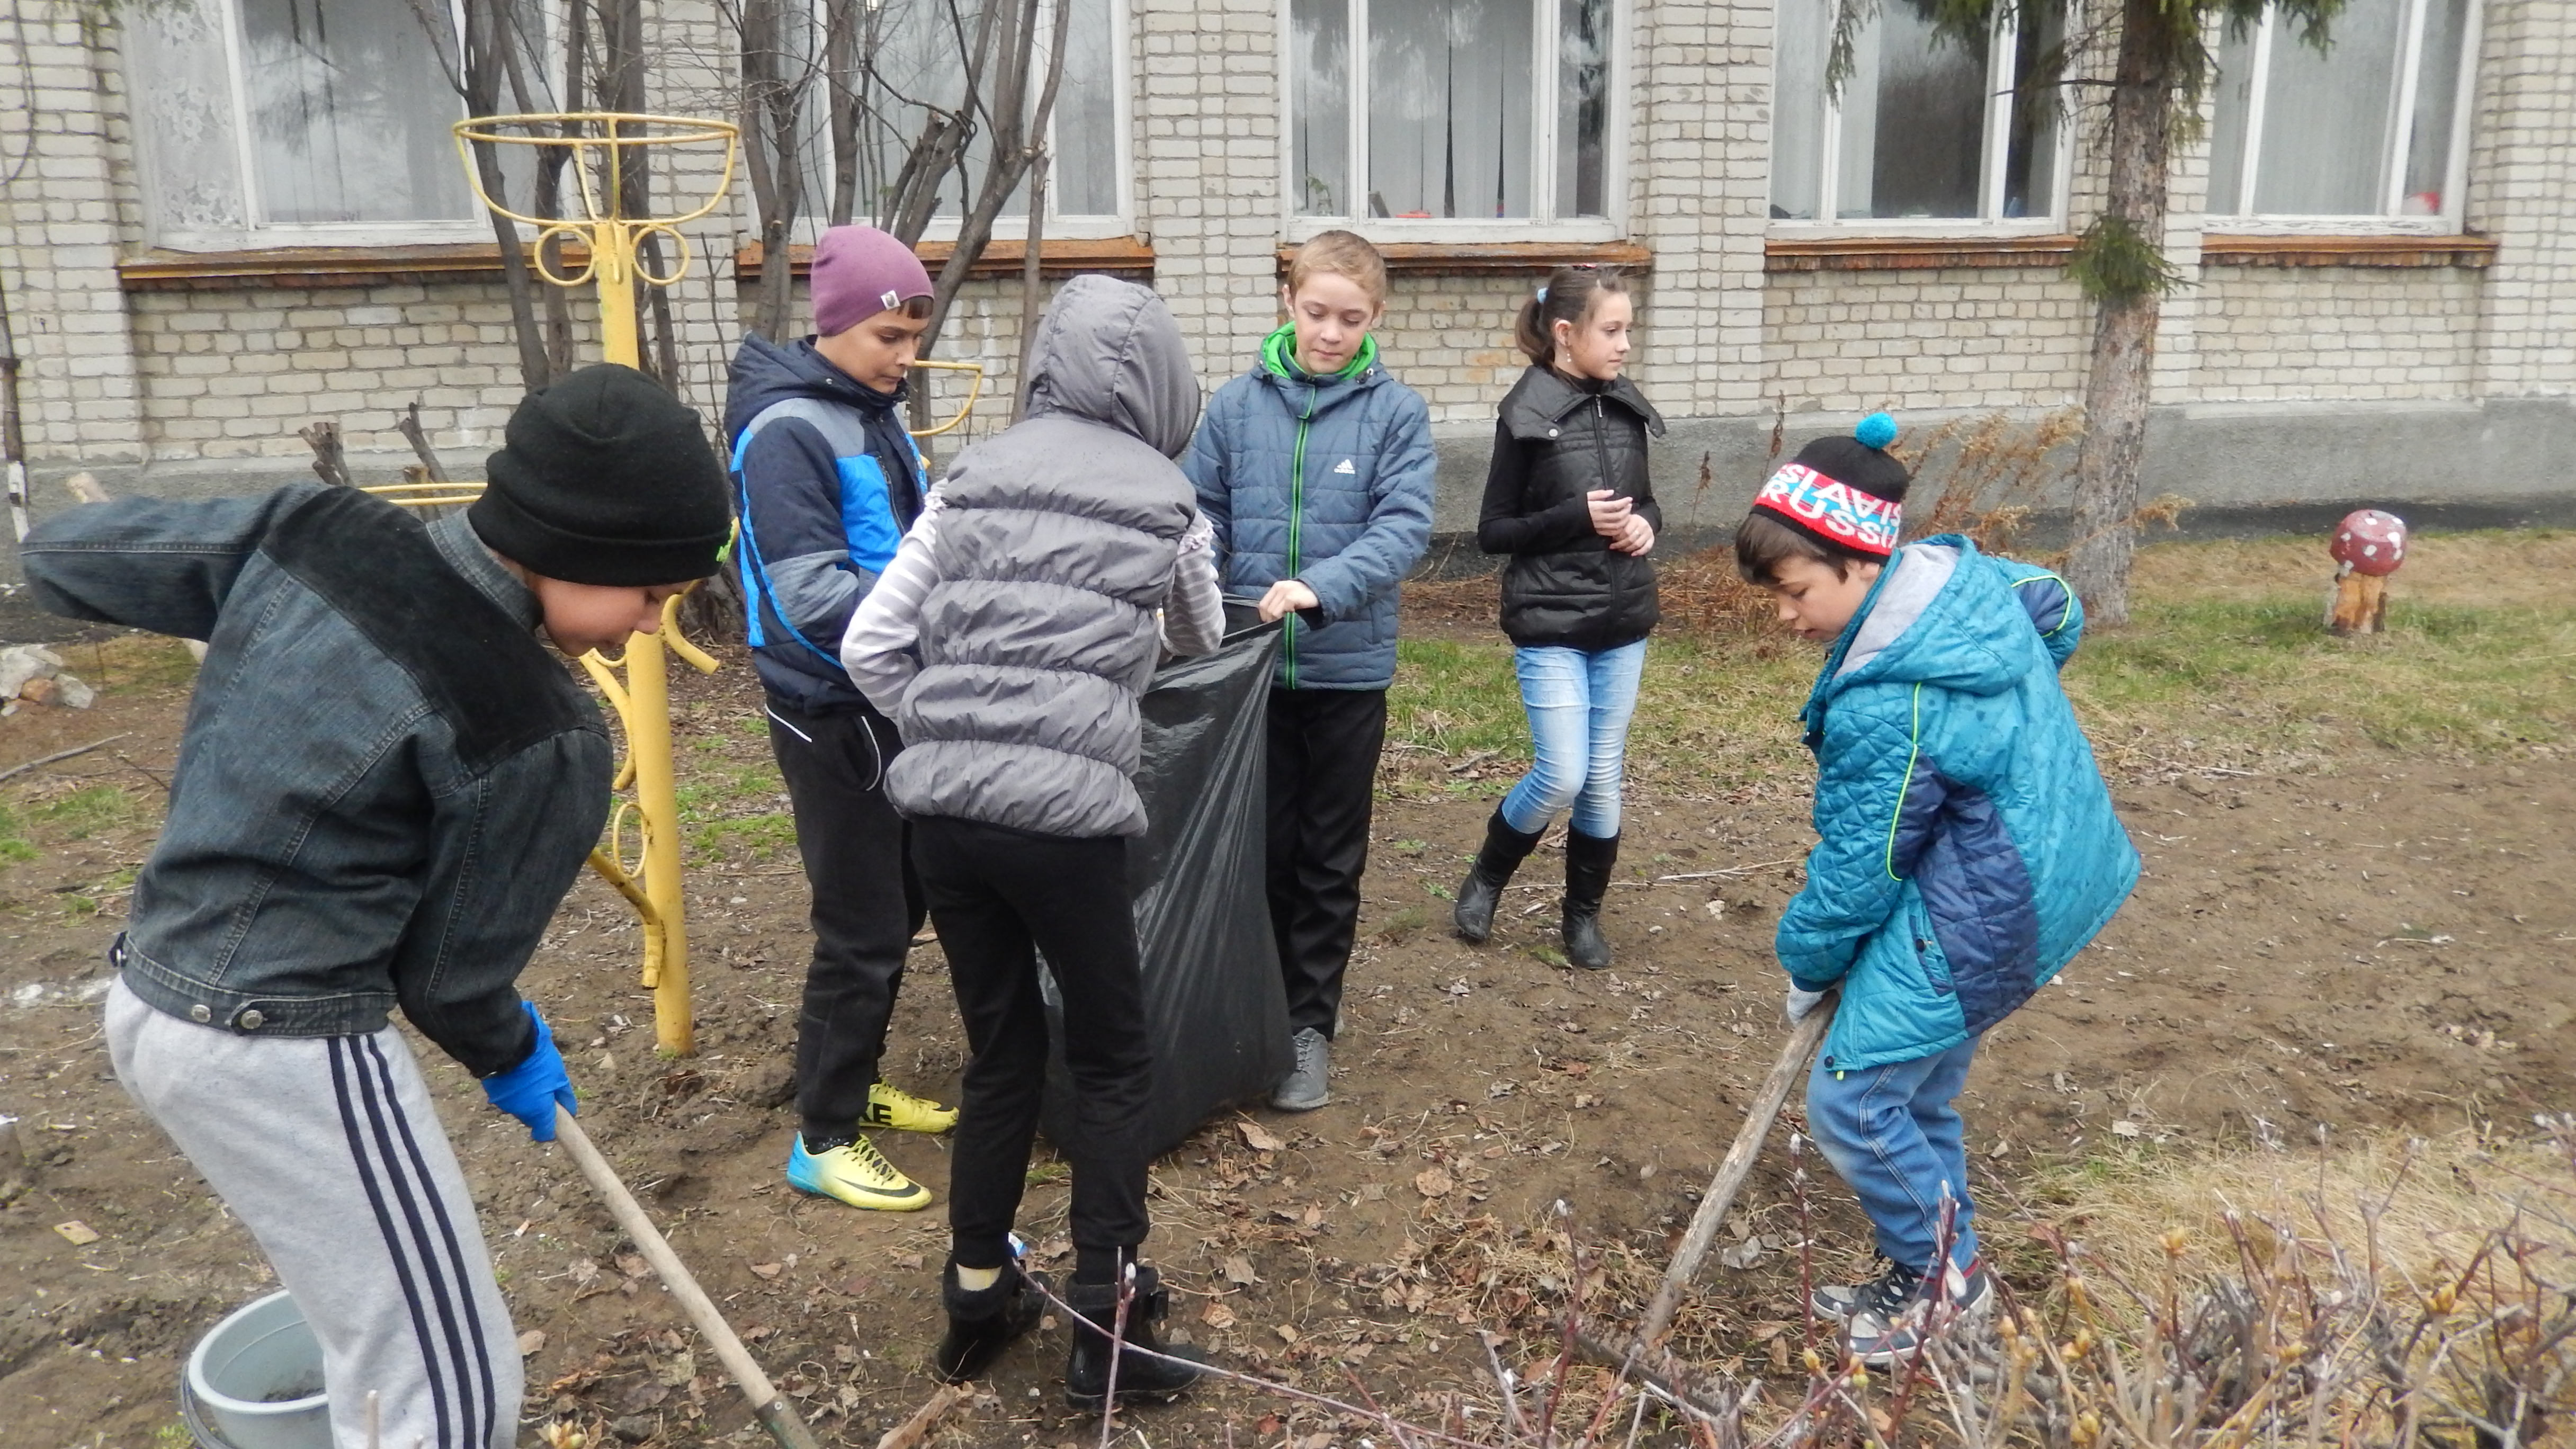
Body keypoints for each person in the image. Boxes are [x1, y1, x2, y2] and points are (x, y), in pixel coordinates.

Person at [19, 364, 732, 1449]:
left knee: (377, 1335)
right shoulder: (537, 729)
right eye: (649, 594)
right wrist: (510, 1049)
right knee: (448, 1396)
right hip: (283, 1044)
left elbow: (65, 558)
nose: (645, 626)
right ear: (578, 547)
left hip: (151, 1002)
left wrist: (244, 598)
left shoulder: (318, 532)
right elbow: (448, 980)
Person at [842, 275, 1223, 1406]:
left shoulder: (967, 478)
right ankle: (1108, 1331)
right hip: (1065, 830)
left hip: (945, 823)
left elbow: (871, 645)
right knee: (1109, 1061)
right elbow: (1202, 634)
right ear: (1162, 384)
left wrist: (947, 730)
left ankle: (976, 1300)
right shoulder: (1169, 502)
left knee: (1000, 1051)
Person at [1734, 415, 2139, 1365]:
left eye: (1795, 591)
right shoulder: (1964, 590)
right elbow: (2055, 606)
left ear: (1859, 562)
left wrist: (1809, 964)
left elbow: (1862, 863)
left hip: (1990, 900)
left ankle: (1946, 1291)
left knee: (1857, 1101)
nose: (1786, 617)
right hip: (2048, 859)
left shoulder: (1893, 697)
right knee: (1915, 1094)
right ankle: (1930, 1265)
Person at [726, 223, 958, 1215]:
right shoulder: (789, 431)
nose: (905, 358)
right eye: (889, 338)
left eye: (913, 339)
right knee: (860, 926)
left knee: (899, 908)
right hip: (832, 710)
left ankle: (854, 1084)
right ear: (835, 326)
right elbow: (809, 595)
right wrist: (943, 618)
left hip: (887, 697)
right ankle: (821, 1137)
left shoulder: (868, 412)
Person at [1183, 229, 1435, 1112]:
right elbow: (1199, 515)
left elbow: (1403, 527)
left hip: (1344, 677)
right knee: (1257, 851)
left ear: (1377, 318)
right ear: (1288, 302)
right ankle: (1248, 1008)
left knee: (1328, 857)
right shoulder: (1233, 407)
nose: (1331, 332)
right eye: (1317, 312)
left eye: (1351, 319)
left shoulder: (1395, 414)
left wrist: (1320, 588)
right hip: (1248, 677)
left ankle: (1306, 1026)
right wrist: (1201, 605)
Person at [1452, 265, 1663, 970]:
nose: (1626, 344)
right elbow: (1493, 531)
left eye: (1629, 329)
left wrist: (1647, 527)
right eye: (1613, 330)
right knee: (1564, 772)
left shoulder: (1626, 407)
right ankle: (1488, 876)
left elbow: (1647, 503)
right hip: (1549, 622)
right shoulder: (1524, 415)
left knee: (1602, 780)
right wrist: (1575, 517)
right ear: (1567, 334)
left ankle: (1582, 918)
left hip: (1622, 621)